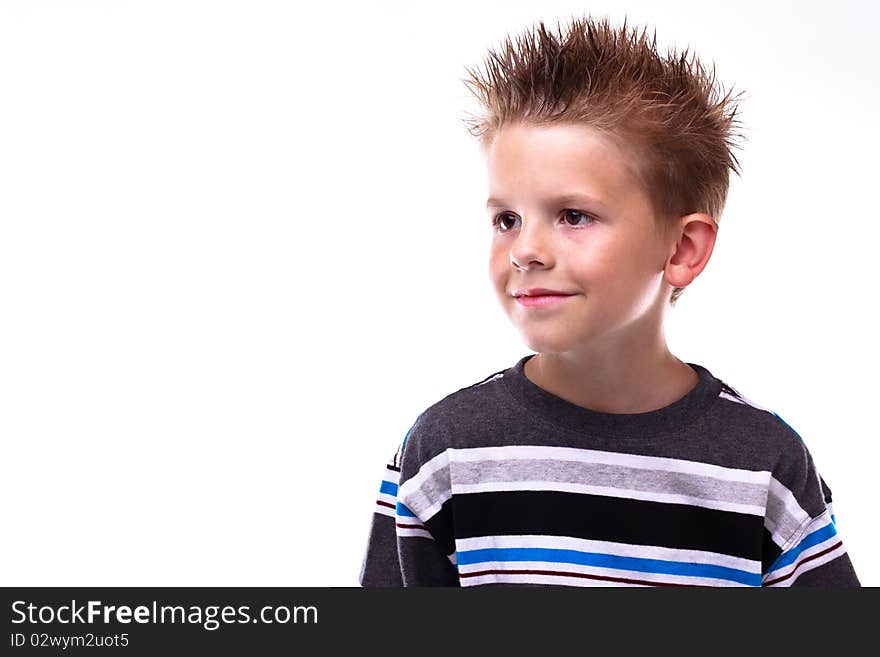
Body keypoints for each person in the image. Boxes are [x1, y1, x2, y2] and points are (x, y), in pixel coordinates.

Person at [358, 15, 860, 587]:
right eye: (507, 219)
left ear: (681, 248)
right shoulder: (445, 453)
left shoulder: (763, 467)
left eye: (573, 216)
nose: (525, 249)